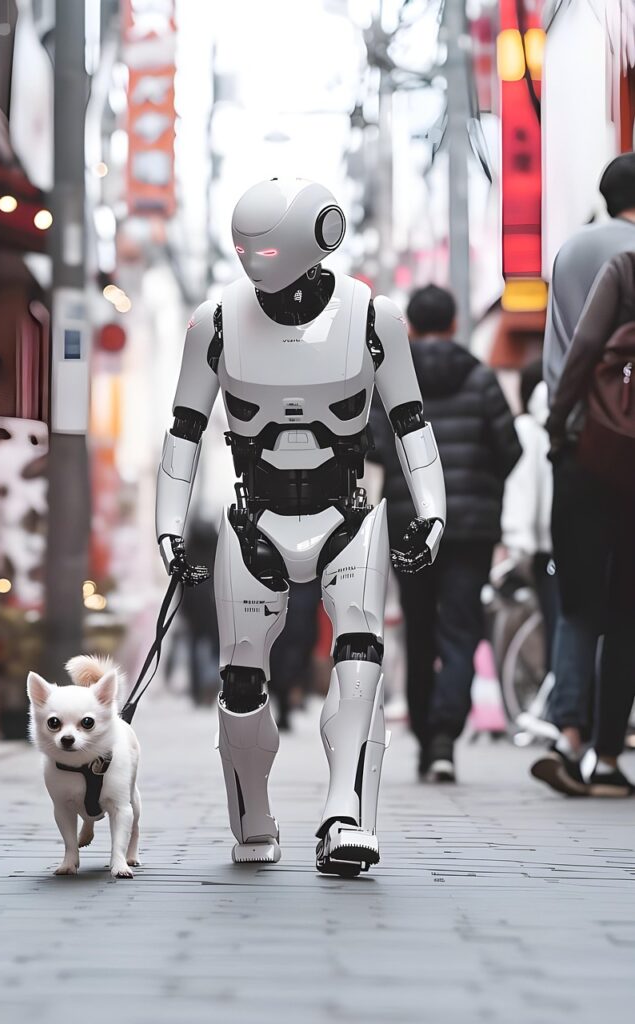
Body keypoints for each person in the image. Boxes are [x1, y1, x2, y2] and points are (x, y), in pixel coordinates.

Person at [155, 179, 446, 876]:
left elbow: (409, 418)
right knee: (240, 681)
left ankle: (344, 814)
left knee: (359, 660)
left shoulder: (374, 317)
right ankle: (252, 820)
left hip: (346, 514)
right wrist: (168, 526)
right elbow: (184, 430)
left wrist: (432, 508)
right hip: (253, 518)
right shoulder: (215, 321)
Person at [369, 285, 521, 782]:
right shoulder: (480, 378)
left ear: (408, 327)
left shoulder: (392, 379)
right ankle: (443, 740)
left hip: (409, 523)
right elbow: (511, 448)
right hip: (470, 525)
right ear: (455, 323)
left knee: (418, 627)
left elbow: (369, 443)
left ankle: (423, 734)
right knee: (461, 628)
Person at [531, 153, 635, 791]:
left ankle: (567, 737)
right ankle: (609, 756)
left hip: (582, 445)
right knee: (627, 605)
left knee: (575, 602)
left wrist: (557, 424)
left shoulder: (571, 253)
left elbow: (562, 348)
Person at [500, 360, 559, 672]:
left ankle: (557, 699)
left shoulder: (525, 428)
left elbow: (521, 492)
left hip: (544, 548)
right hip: (576, 539)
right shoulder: (568, 420)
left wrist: (518, 549)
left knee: (555, 623)